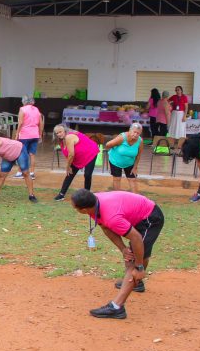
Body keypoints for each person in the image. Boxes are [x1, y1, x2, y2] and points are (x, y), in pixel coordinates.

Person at [70, 189, 165, 319]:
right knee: (133, 255)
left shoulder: (111, 216)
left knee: (133, 262)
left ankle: (117, 307)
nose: (74, 208)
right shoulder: (94, 204)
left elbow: (136, 238)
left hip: (150, 218)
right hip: (140, 215)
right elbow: (105, 227)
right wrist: (123, 248)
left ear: (84, 210)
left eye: (75, 207)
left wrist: (139, 267)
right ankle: (137, 284)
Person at [52, 125, 100, 201]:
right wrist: (69, 166)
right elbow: (68, 154)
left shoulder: (69, 137)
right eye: (57, 133)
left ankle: (87, 195)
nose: (59, 134)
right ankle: (61, 194)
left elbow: (71, 154)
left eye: (60, 132)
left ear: (64, 130)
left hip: (90, 152)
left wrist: (68, 166)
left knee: (87, 174)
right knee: (70, 174)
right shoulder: (61, 141)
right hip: (78, 156)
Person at [105, 123, 143, 193]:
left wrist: (135, 167)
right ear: (130, 130)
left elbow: (138, 155)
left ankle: (136, 198)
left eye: (138, 133)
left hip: (130, 162)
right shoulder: (122, 137)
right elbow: (108, 144)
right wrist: (114, 150)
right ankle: (117, 196)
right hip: (115, 161)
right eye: (134, 132)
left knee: (132, 179)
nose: (136, 135)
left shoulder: (140, 141)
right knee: (117, 178)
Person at [13, 95, 44, 180]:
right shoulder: (37, 109)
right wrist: (40, 134)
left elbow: (20, 123)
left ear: (24, 102)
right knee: (32, 154)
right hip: (35, 134)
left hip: (24, 135)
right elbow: (41, 124)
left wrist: (16, 134)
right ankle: (32, 173)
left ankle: (20, 173)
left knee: (22, 154)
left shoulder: (22, 109)